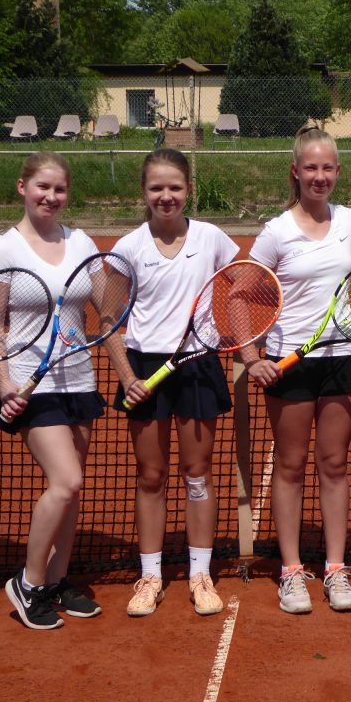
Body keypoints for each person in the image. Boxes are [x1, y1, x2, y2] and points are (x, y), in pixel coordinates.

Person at [105, 148, 237, 619]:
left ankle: (200, 573)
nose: (166, 196)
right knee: (151, 475)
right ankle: (152, 575)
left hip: (198, 364)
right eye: (157, 188)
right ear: (144, 191)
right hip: (143, 367)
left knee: (197, 475)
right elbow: (108, 318)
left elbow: (237, 288)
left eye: (175, 188)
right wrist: (127, 377)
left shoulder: (212, 238)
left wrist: (238, 339)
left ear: (188, 190)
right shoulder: (128, 248)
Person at [243, 126, 351, 614]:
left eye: (327, 168)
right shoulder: (276, 232)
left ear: (338, 171)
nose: (319, 176)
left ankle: (336, 568)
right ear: (296, 172)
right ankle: (291, 571)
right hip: (289, 364)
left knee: (333, 465)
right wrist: (253, 357)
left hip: (342, 360)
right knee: (290, 467)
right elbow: (240, 293)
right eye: (310, 168)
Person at [0, 151, 105, 630]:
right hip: (29, 384)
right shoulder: (5, 249)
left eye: (59, 189)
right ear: (22, 187)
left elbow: (109, 308)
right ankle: (29, 582)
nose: (51, 197)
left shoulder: (82, 242)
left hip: (78, 377)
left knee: (72, 492)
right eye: (42, 187)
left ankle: (57, 580)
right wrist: (4, 385)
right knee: (67, 481)